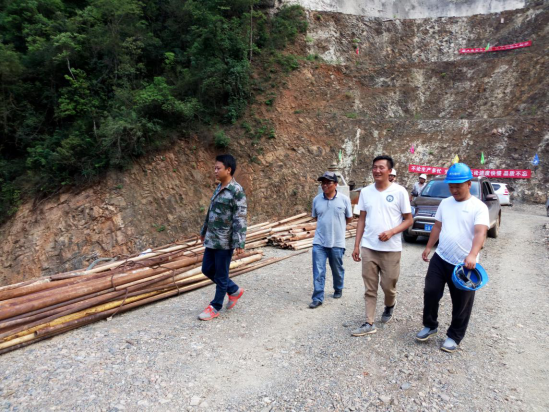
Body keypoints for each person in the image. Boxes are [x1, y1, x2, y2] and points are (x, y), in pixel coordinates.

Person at [415, 163, 490, 353]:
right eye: (451, 186)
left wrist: (472, 254)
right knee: (431, 291)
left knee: (462, 302)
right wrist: (429, 247)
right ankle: (430, 325)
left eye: (458, 186)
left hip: (465, 264)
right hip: (441, 258)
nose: (454, 190)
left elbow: (480, 233)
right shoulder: (445, 203)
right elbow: (437, 226)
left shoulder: (478, 207)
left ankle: (455, 335)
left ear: (469, 184)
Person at [351, 156, 414, 336]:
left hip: (391, 249)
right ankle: (369, 322)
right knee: (370, 287)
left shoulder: (399, 192)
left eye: (381, 167)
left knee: (388, 286)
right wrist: (356, 245)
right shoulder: (366, 192)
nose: (377, 171)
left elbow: (409, 220)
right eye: (374, 167)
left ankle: (390, 304)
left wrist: (392, 232)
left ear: (389, 171)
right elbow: (361, 219)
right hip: (369, 247)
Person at [198, 154, 247, 321]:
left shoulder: (237, 191)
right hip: (212, 238)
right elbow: (210, 212)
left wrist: (239, 241)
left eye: (218, 168)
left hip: (225, 241)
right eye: (214, 168)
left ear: (228, 170)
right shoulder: (219, 187)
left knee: (221, 274)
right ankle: (233, 290)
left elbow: (240, 217)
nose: (215, 171)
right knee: (206, 269)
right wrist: (204, 231)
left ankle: (215, 306)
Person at [309, 172, 353, 309]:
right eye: (323, 183)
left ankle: (338, 287)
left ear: (336, 184)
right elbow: (316, 217)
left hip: (337, 242)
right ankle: (317, 297)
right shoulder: (316, 200)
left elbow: (349, 218)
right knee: (318, 270)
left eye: (328, 183)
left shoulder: (344, 200)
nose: (325, 185)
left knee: (337, 268)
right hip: (319, 241)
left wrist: (338, 227)